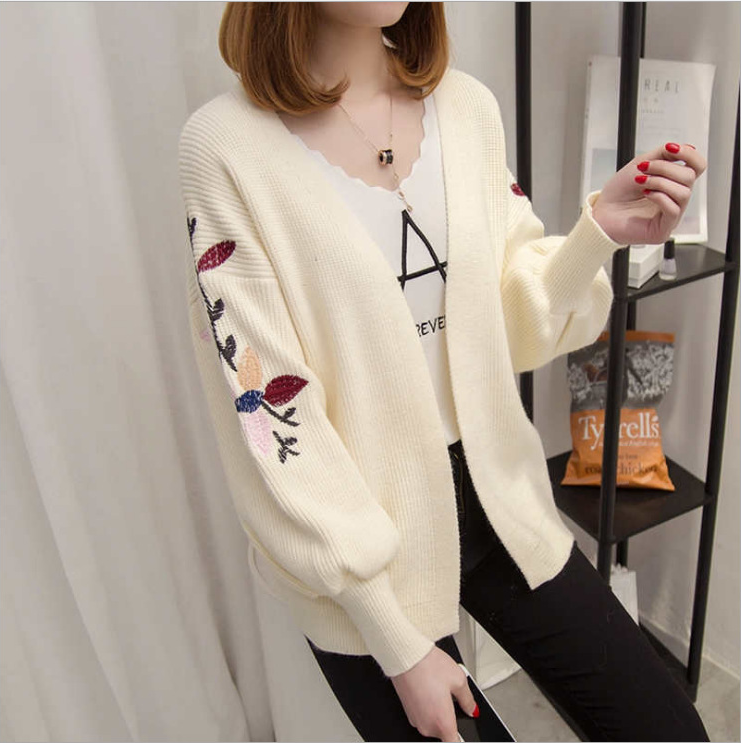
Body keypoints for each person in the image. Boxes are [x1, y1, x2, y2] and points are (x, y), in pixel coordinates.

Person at [178, 2, 710, 741]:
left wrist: (597, 235)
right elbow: (272, 419)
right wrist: (397, 643)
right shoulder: (225, 149)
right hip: (362, 540)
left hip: (498, 494)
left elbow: (510, 323)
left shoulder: (465, 108)